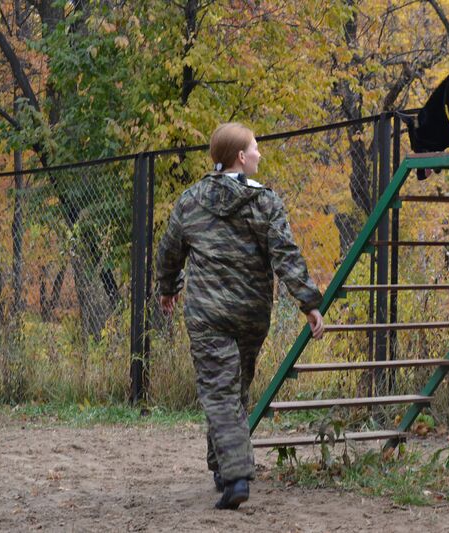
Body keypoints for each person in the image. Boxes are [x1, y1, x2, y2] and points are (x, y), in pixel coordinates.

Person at [156, 122, 325, 510]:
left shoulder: (191, 200)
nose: (260, 154)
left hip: (207, 313)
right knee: (233, 389)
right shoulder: (265, 202)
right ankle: (223, 467)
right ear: (240, 157)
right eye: (255, 148)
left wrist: (168, 287)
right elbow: (285, 255)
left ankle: (234, 477)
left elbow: (169, 250)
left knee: (220, 391)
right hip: (251, 313)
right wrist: (308, 302)